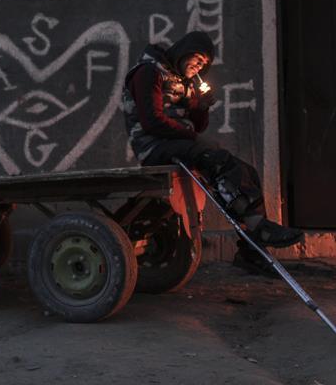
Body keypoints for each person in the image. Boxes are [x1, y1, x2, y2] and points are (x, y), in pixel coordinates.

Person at [121, 31, 303, 275]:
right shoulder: (149, 72)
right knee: (213, 157)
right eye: (196, 58)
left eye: (203, 64)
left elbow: (197, 126)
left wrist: (201, 106)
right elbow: (152, 122)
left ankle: (253, 251)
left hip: (178, 145)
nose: (198, 65)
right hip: (153, 145)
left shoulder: (182, 83)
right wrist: (195, 138)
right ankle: (257, 226)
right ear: (183, 51)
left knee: (246, 172)